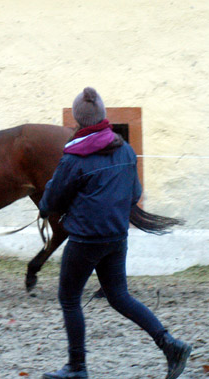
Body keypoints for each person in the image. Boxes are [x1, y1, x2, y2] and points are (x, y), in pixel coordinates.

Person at [38, 87, 192, 379]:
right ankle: (170, 344)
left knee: (69, 298)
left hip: (85, 239)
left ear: (79, 121)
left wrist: (49, 199)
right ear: (103, 117)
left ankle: (77, 367)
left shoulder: (73, 157)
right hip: (117, 237)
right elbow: (134, 193)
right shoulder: (125, 149)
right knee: (119, 296)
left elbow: (52, 201)